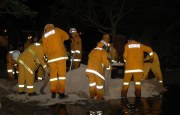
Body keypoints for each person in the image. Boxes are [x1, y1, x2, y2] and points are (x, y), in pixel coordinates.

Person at [41, 24, 69, 99]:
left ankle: (53, 91)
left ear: (45, 29)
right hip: (60, 56)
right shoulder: (57, 30)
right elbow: (67, 36)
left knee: (53, 76)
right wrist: (61, 39)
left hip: (51, 59)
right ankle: (61, 93)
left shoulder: (44, 37)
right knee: (62, 75)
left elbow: (44, 50)